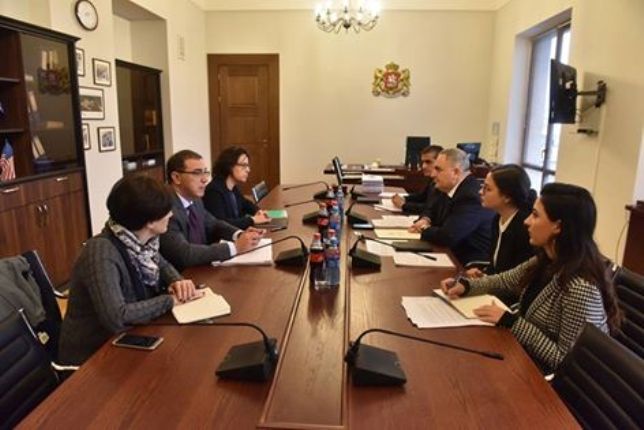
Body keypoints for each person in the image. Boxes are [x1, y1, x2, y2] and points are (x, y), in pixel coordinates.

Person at [440, 183, 622, 374]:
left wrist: (512, 322)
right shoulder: (547, 259)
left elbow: (567, 362)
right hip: (524, 358)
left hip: (545, 381)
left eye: (535, 215)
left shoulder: (580, 287)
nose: (526, 221)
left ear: (558, 226)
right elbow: (505, 280)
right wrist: (466, 285)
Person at [59, 175, 203, 365]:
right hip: (94, 358)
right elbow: (117, 317)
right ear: (149, 221)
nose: (171, 214)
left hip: (129, 339)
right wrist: (170, 300)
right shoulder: (101, 252)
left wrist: (177, 281)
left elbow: (162, 264)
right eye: (166, 211)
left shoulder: (141, 241)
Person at [160, 150, 264, 271]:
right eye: (197, 173)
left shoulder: (195, 199)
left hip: (203, 269)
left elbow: (214, 224)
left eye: (206, 172)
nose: (205, 179)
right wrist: (235, 248)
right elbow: (184, 254)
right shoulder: (164, 207)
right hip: (182, 276)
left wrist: (240, 235)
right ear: (176, 177)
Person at [409, 148, 494, 265]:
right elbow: (431, 210)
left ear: (456, 172)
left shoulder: (470, 196)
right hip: (448, 253)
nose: (433, 174)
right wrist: (426, 219)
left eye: (438, 169)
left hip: (468, 263)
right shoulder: (447, 188)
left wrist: (424, 228)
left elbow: (447, 236)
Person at [468, 164, 536, 277]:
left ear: (507, 197)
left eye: (488, 189)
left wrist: (486, 280)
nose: (480, 192)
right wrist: (484, 273)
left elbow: (517, 277)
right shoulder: (497, 219)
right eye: (482, 186)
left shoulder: (524, 228)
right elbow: (496, 265)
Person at [203, 146, 270, 229]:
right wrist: (252, 220)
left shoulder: (232, 187)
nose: (248, 170)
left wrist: (258, 211)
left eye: (248, 165)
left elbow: (245, 203)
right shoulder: (213, 191)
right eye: (244, 165)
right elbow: (221, 224)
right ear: (229, 166)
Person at [392, 144, 443, 214]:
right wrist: (404, 198)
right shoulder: (431, 179)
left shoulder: (444, 183)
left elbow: (432, 208)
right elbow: (421, 197)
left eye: (428, 162)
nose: (423, 166)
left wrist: (404, 205)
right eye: (422, 162)